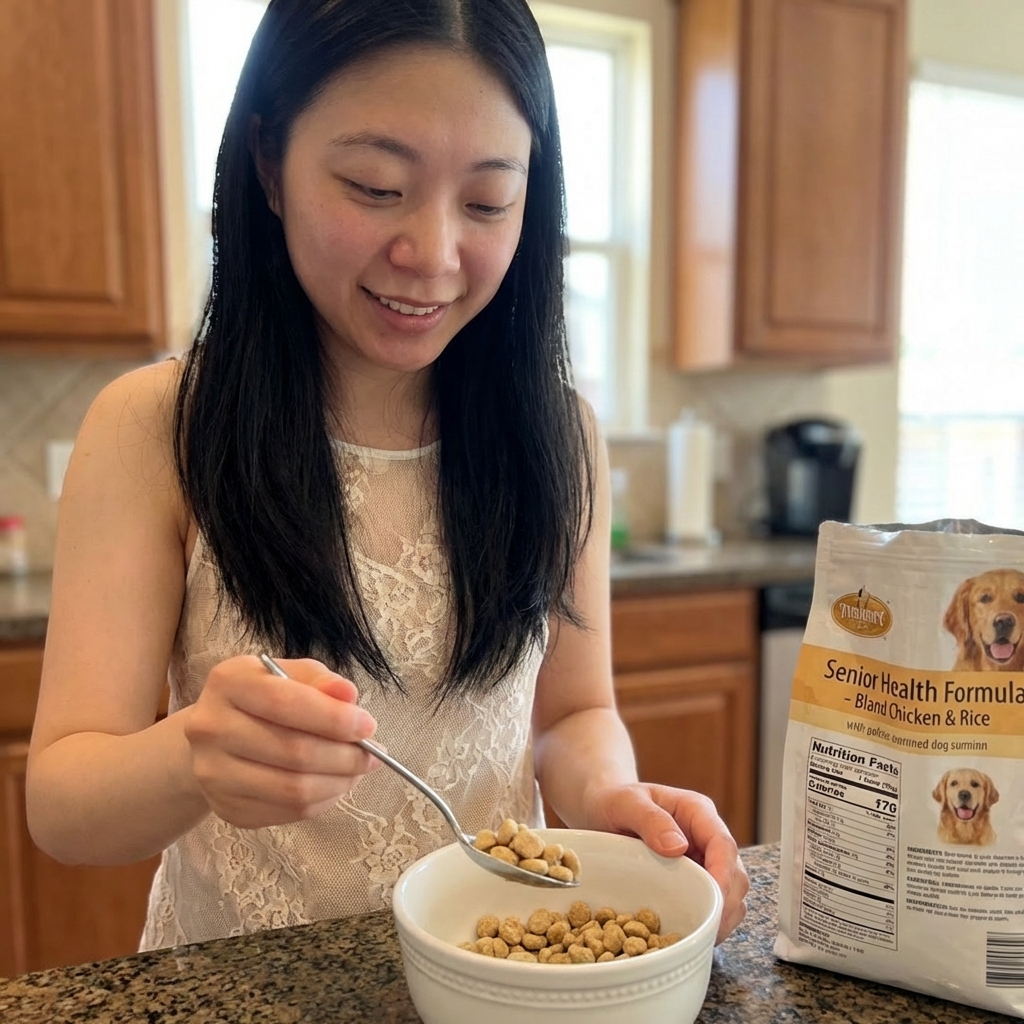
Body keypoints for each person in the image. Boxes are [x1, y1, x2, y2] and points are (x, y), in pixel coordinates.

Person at [26, 0, 748, 949]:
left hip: (496, 975)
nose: (433, 254)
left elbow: (574, 711)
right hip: (243, 990)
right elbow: (63, 805)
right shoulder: (160, 427)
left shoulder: (561, 435)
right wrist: (191, 757)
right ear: (267, 164)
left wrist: (613, 798)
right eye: (373, 185)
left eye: (489, 202)